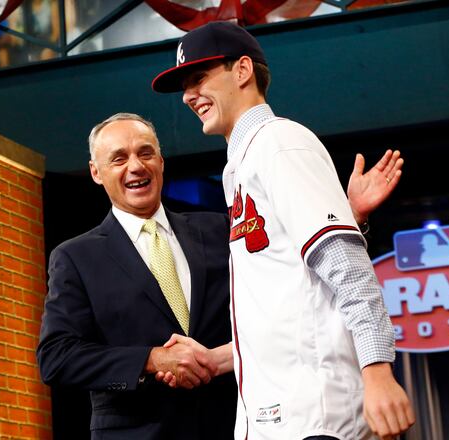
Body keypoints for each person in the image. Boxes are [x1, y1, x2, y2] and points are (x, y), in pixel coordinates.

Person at [37, 110, 402, 439]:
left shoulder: (220, 230)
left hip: (233, 425)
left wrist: (349, 218)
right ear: (96, 173)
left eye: (145, 153)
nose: (135, 166)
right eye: (119, 158)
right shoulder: (75, 257)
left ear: (161, 162)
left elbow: (292, 271)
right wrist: (151, 359)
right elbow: (57, 357)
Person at [151, 21, 414, 439]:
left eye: (199, 78)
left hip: (318, 416)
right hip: (279, 418)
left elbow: (346, 267)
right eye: (185, 85)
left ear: (242, 70)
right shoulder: (239, 166)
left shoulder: (280, 142)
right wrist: (216, 359)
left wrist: (377, 371)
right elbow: (289, 304)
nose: (187, 95)